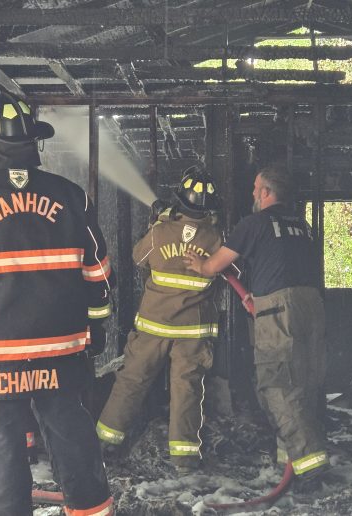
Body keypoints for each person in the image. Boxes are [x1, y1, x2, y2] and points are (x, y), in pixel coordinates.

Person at [0, 89, 114, 516]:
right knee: (73, 439)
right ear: (33, 141)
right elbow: (98, 273)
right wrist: (96, 326)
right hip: (61, 350)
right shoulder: (71, 196)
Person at [184, 163, 329, 491]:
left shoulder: (255, 223)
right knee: (303, 382)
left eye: (255, 187)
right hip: (312, 307)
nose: (252, 192)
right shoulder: (302, 225)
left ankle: (310, 463)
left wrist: (200, 264)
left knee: (276, 385)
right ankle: (289, 461)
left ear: (266, 192)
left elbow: (214, 266)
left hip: (280, 312)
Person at [96, 166, 222, 472]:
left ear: (179, 200)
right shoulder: (216, 238)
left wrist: (158, 224)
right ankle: (185, 460)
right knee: (187, 390)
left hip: (154, 326)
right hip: (193, 330)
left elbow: (138, 258)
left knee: (132, 381)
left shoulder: (160, 232)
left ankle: (104, 445)